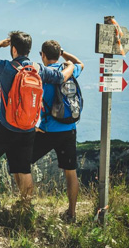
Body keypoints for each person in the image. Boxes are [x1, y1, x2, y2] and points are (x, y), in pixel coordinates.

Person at [0, 31, 75, 209]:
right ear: (30, 49)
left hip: (5, 127)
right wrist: (71, 65)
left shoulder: (5, 67)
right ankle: (26, 207)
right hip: (28, 129)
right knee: (23, 168)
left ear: (13, 49)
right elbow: (62, 76)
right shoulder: (39, 70)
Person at [32, 40, 84, 222]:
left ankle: (25, 205)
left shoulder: (43, 75)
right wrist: (64, 54)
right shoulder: (69, 70)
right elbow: (80, 63)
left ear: (43, 55)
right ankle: (72, 213)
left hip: (47, 131)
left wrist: (35, 126)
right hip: (69, 129)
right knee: (70, 171)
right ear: (58, 53)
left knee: (21, 162)